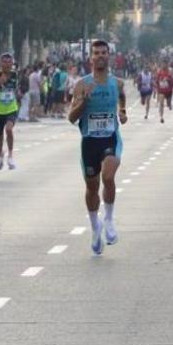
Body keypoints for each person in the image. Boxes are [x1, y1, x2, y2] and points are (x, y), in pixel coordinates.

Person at [67, 40, 127, 256]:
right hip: (89, 141)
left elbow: (121, 98)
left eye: (104, 52)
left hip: (110, 138)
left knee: (108, 177)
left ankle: (109, 219)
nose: (100, 56)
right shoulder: (82, 85)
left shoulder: (117, 83)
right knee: (92, 188)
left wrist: (122, 112)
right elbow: (71, 118)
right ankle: (95, 227)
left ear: (109, 56)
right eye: (96, 53)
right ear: (90, 58)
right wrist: (83, 102)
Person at [154, 59, 173, 124]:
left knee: (168, 104)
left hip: (168, 90)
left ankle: (170, 104)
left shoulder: (169, 72)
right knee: (161, 103)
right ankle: (161, 117)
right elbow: (156, 80)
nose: (163, 65)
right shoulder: (159, 72)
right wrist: (156, 87)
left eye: (165, 64)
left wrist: (168, 79)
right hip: (161, 90)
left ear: (167, 65)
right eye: (162, 64)